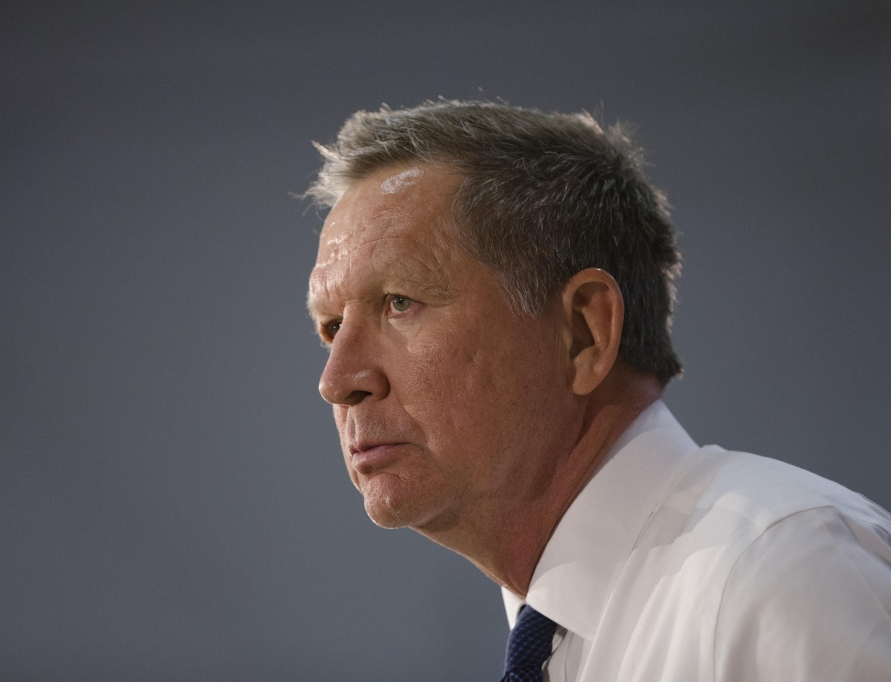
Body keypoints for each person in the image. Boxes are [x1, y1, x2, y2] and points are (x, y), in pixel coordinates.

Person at [303, 100, 891, 682]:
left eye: (400, 303)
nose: (337, 381)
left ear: (584, 332)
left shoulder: (781, 573)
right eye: (330, 328)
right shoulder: (560, 638)